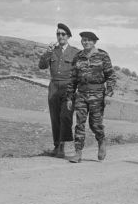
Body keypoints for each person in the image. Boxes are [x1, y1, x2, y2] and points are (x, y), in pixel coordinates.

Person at [66, 31, 116, 163]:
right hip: (81, 94)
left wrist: (109, 94)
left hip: (98, 94)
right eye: (83, 40)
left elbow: (110, 76)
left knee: (95, 124)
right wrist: (69, 97)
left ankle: (101, 141)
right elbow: (73, 79)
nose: (85, 42)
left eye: (88, 40)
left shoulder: (102, 55)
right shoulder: (78, 57)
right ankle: (78, 153)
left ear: (94, 42)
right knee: (80, 123)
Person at [38, 23, 80, 158]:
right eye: (58, 34)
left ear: (68, 36)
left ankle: (62, 145)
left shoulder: (75, 52)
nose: (60, 36)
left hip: (68, 86)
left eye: (63, 34)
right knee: (55, 117)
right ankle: (57, 146)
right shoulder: (52, 51)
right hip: (54, 86)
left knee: (65, 116)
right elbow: (42, 66)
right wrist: (47, 52)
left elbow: (80, 71)